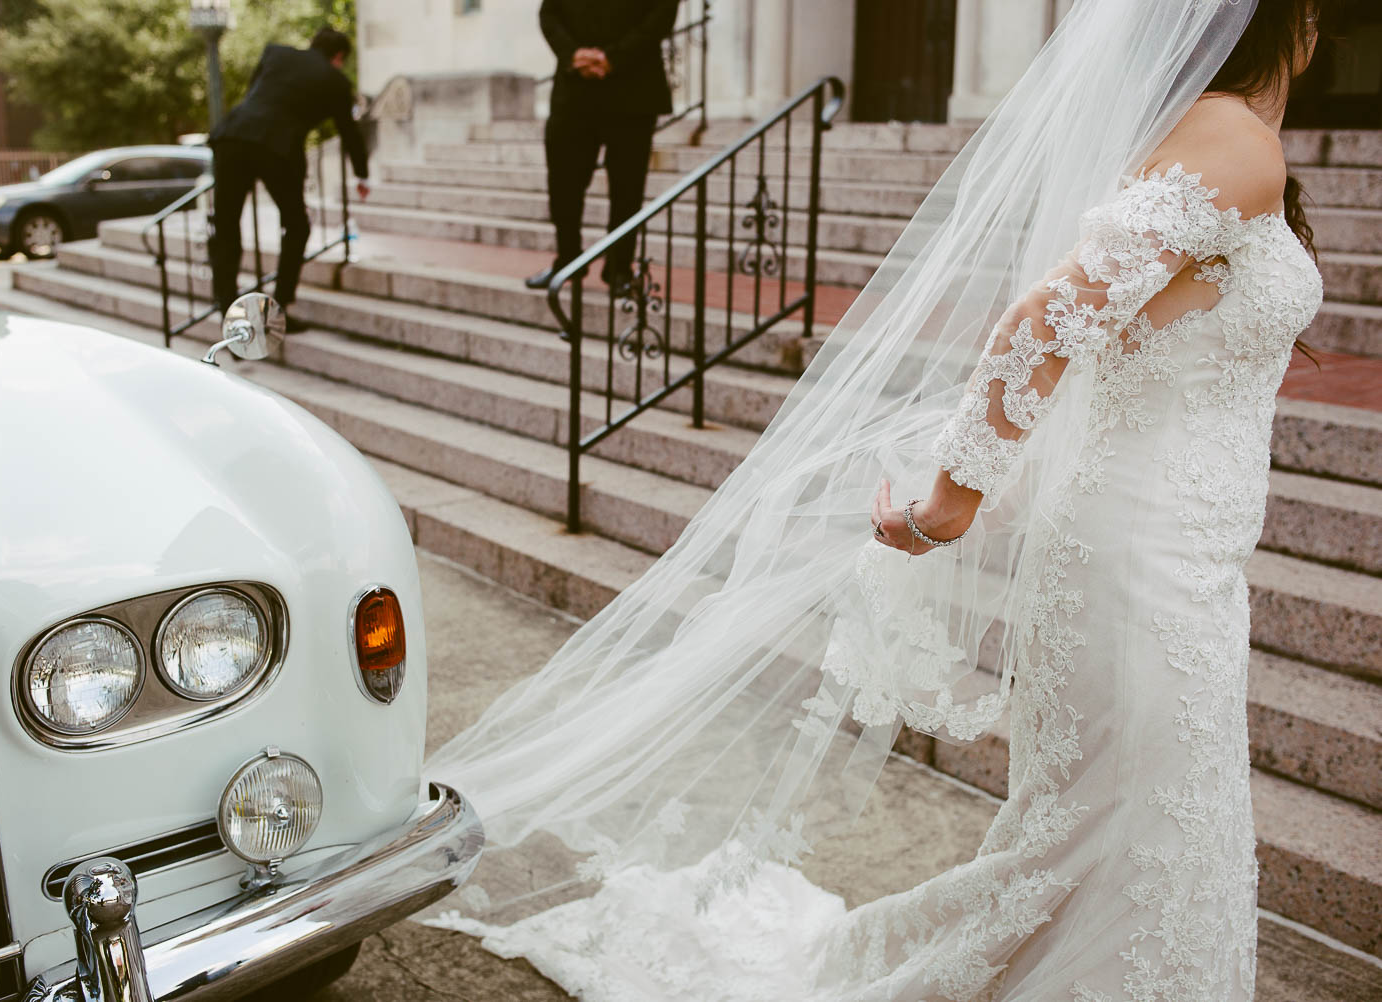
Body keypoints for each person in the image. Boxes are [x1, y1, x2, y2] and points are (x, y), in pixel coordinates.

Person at [421, 1, 1329, 999]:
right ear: (1293, 22)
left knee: (1127, 820)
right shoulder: (1239, 144)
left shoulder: (1193, 138)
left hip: (1180, 552)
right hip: (1148, 561)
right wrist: (954, 496)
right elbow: (1049, 315)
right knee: (1130, 820)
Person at [208, 27, 370, 331]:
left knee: (226, 228)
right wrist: (362, 174)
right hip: (277, 147)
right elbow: (349, 131)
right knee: (296, 225)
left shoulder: (276, 53)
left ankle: (229, 313)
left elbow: (256, 93)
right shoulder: (335, 79)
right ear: (338, 57)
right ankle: (278, 308)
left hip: (232, 135)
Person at [524, 0, 680, 294]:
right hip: (574, 90)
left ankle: (620, 269)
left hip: (633, 89)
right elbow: (549, 12)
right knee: (563, 182)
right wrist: (573, 54)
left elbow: (662, 13)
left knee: (627, 187)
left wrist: (614, 57)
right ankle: (568, 260)